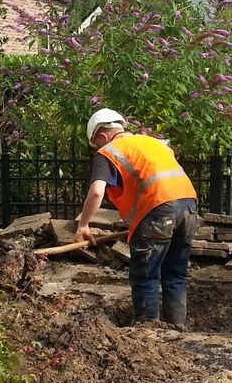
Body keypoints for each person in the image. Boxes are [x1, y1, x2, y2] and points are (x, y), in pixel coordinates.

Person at [75, 108, 199, 327]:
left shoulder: (108, 152)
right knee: (175, 274)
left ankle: (147, 331)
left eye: (96, 142)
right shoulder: (155, 143)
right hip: (189, 207)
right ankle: (176, 327)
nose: (98, 147)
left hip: (158, 210)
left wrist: (83, 224)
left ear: (102, 136)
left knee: (145, 274)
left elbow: (96, 192)